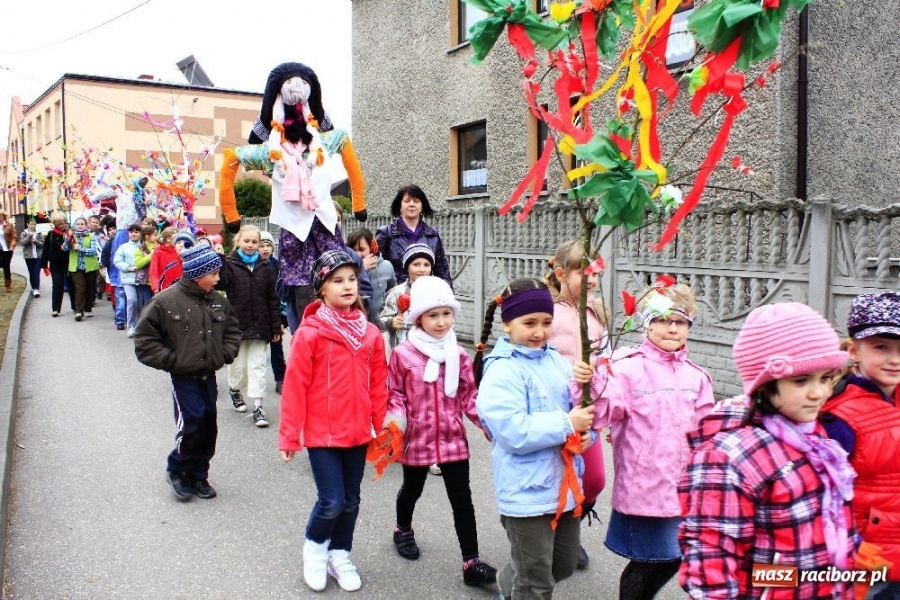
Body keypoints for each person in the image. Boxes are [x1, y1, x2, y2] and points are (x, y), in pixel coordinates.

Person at [679, 302, 856, 599]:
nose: (819, 393)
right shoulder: (728, 456)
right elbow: (711, 554)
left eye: (826, 378)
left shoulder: (813, 436)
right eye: (801, 380)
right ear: (764, 383)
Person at [575, 283, 713, 599]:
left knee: (674, 556)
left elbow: (706, 434)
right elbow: (601, 412)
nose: (672, 328)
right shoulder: (627, 369)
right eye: (662, 320)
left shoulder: (697, 377)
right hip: (646, 487)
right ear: (647, 324)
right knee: (649, 561)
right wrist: (590, 381)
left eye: (680, 322)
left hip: (684, 487)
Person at [474, 278, 596, 600]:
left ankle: (508, 580)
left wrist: (587, 434)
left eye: (546, 322)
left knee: (563, 565)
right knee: (537, 583)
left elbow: (581, 411)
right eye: (529, 323)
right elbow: (512, 431)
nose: (540, 332)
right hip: (526, 493)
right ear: (507, 324)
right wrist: (567, 424)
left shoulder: (557, 361)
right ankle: (519, 585)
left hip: (564, 487)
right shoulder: (502, 370)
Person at [279, 249, 388, 593]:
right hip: (321, 433)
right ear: (322, 289)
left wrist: (383, 428)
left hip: (358, 431)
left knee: (352, 499)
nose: (347, 286)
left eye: (352, 279)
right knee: (332, 501)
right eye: (337, 280)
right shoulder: (309, 333)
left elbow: (378, 385)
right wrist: (289, 436)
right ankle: (315, 551)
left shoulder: (370, 333)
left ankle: (339, 555)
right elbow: (295, 386)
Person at [382, 276, 497, 587]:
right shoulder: (404, 354)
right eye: (433, 315)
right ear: (419, 317)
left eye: (447, 313)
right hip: (416, 438)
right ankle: (402, 529)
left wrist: (488, 424)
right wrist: (395, 424)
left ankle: (471, 562)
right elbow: (395, 393)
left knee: (462, 500)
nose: (441, 321)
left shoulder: (458, 355)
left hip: (452, 438)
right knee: (412, 489)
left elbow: (469, 396)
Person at [135, 243, 241, 501]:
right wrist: (174, 361)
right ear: (197, 274)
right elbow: (145, 341)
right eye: (213, 273)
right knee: (192, 423)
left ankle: (199, 474)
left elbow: (233, 331)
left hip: (208, 376)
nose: (218, 278)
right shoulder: (165, 301)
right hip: (183, 377)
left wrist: (225, 353)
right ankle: (178, 469)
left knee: (208, 426)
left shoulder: (219, 302)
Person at [821, 291, 900, 598]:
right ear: (854, 350)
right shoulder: (839, 416)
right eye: (881, 347)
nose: (895, 359)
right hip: (867, 560)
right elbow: (824, 497)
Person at [544, 240, 611, 571]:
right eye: (585, 274)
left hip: (589, 412)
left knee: (594, 480)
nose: (593, 280)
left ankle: (569, 528)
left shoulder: (597, 314)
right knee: (557, 480)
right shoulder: (547, 315)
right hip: (556, 412)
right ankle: (550, 538)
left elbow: (607, 361)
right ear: (561, 274)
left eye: (596, 274)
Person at [215, 225, 281, 427]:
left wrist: (275, 326)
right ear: (238, 242)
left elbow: (272, 297)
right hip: (237, 325)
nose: (251, 245)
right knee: (238, 365)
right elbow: (221, 283)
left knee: (258, 366)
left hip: (261, 325)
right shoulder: (230, 263)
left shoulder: (265, 266)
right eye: (247, 241)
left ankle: (258, 408)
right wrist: (220, 259)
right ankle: (235, 389)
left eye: (254, 242)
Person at [375, 185, 452, 287]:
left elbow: (442, 271)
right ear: (399, 206)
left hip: (424, 292)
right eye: (407, 201)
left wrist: (447, 293)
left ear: (422, 206)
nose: (411, 204)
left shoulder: (432, 235)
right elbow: (376, 269)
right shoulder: (386, 234)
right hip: (396, 293)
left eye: (416, 201)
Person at [380, 243, 434, 349]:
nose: (422, 269)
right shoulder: (397, 292)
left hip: (429, 346)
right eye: (416, 264)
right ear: (407, 267)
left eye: (426, 265)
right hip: (403, 346)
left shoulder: (436, 292)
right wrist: (391, 322)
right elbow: (381, 319)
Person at [347, 227, 395, 327]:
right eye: (354, 250)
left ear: (372, 248)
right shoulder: (346, 269)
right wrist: (361, 269)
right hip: (355, 324)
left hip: (380, 326)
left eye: (362, 250)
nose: (358, 254)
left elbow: (393, 292)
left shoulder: (386, 266)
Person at [259, 231, 288, 395]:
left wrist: (281, 318)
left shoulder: (278, 265)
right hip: (259, 312)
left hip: (276, 312)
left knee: (276, 346)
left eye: (268, 246)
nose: (265, 249)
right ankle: (256, 382)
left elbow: (282, 293)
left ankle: (280, 378)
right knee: (257, 350)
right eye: (262, 246)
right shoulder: (253, 266)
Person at [64, 217, 101, 321]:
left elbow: (93, 251)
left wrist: (80, 248)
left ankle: (88, 308)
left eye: (82, 224)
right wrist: (68, 241)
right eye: (78, 224)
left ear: (86, 225)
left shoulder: (91, 236)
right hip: (76, 267)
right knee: (80, 288)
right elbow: (65, 248)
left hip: (90, 266)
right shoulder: (72, 236)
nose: (80, 226)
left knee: (89, 288)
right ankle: (79, 311)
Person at [114, 224, 146, 337]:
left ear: (141, 233)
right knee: (131, 300)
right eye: (131, 232)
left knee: (140, 303)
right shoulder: (123, 247)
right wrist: (128, 267)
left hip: (142, 280)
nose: (134, 234)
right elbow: (117, 261)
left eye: (136, 232)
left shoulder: (144, 246)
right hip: (128, 279)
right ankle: (131, 326)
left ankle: (139, 326)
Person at [40, 212, 70, 317]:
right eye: (59, 224)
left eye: (63, 223)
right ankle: (56, 308)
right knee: (57, 285)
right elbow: (46, 249)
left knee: (71, 285)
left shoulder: (69, 233)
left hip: (69, 263)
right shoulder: (51, 234)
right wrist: (44, 264)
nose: (61, 226)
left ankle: (75, 306)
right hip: (55, 264)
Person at [149, 227, 183, 294]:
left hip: (180, 287)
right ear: (168, 239)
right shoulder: (158, 253)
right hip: (164, 288)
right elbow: (153, 271)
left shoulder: (179, 252)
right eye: (177, 238)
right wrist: (155, 287)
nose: (179, 242)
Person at [20, 219, 44, 297]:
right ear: (27, 224)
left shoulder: (39, 233)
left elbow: (42, 244)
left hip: (38, 256)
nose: (33, 226)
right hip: (29, 257)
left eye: (34, 224)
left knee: (36, 272)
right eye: (31, 224)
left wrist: (35, 241)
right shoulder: (24, 233)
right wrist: (29, 235)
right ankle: (33, 287)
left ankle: (36, 289)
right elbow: (23, 243)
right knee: (31, 272)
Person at [134, 225, 157, 304]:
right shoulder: (140, 248)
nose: (156, 237)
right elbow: (138, 264)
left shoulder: (158, 246)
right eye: (154, 235)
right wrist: (150, 256)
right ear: (147, 236)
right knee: (148, 302)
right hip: (145, 281)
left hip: (156, 280)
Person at [0, 210, 17, 293]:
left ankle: (8, 285)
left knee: (6, 267)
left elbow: (14, 237)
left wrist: (12, 246)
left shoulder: (9, 225)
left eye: (0, 216)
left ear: (3, 217)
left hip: (7, 249)